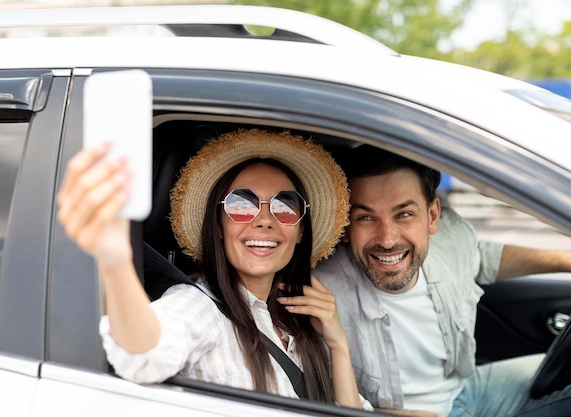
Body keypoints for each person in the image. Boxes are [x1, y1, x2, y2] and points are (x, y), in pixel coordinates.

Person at [56, 128, 372, 410]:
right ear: (218, 226)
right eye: (240, 204)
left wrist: (337, 345)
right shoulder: (200, 307)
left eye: (284, 206)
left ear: (301, 231)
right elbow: (144, 356)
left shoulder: (295, 324)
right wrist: (115, 261)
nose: (264, 219)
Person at [313, 144, 571, 417]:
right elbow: (306, 399)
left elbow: (478, 256)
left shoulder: (450, 237)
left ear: (433, 217)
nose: (387, 239)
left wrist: (565, 260)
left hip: (464, 390)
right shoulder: (321, 288)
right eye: (365, 218)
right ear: (344, 225)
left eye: (404, 214)